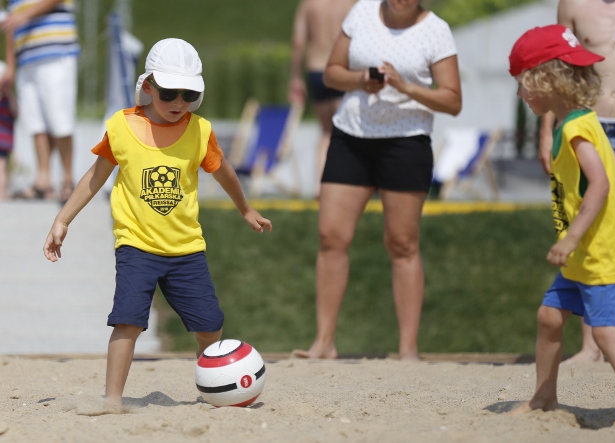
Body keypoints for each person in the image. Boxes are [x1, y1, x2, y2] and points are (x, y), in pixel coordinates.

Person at [42, 38, 273, 411]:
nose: (178, 102)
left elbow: (225, 172)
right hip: (136, 246)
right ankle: (112, 399)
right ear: (148, 86)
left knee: (210, 325)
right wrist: (62, 219)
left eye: (188, 93)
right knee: (128, 322)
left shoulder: (199, 131)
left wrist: (246, 209)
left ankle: (214, 380)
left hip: (186, 249)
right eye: (169, 93)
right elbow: (94, 177)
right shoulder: (120, 127)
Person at [293, 0, 461, 361]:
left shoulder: (436, 30)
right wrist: (360, 79)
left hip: (406, 140)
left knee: (402, 243)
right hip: (351, 135)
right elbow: (331, 72)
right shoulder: (362, 12)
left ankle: (408, 349)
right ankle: (323, 342)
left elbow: (452, 100)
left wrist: (406, 86)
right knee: (331, 236)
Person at [507, 24, 615, 426]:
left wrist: (572, 237)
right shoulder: (583, 120)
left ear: (544, 81)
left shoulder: (576, 129)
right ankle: (544, 397)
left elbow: (599, 183)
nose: (520, 94)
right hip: (586, 253)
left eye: (522, 85)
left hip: (602, 253)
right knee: (549, 317)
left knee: (606, 336)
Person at [538, 0, 615, 364]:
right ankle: (591, 347)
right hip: (589, 124)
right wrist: (546, 130)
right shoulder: (573, 4)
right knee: (586, 225)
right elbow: (555, 69)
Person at [0, 0, 79, 203]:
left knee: (60, 121)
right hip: (26, 59)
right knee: (35, 123)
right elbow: (11, 26)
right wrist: (11, 65)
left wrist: (24, 16)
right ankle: (43, 181)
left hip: (56, 54)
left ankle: (68, 180)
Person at [288, 0, 357, 194]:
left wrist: (295, 77)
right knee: (345, 132)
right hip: (342, 69)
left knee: (326, 132)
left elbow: (298, 41)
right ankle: (343, 186)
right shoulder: (350, 3)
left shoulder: (309, 4)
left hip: (317, 70)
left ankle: (320, 186)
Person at [0, 60, 17, 201]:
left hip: (3, 140)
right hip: (5, 140)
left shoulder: (7, 98)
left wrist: (8, 93)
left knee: (1, 167)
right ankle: (1, 193)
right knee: (2, 167)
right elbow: (16, 112)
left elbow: (15, 112)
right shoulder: (7, 99)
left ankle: (1, 193)